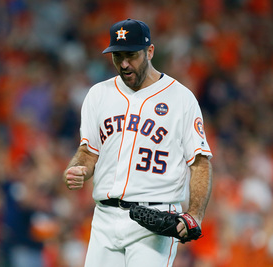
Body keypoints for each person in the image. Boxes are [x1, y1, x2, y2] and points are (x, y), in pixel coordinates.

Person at [63, 18, 213, 267]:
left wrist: (194, 214)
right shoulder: (98, 94)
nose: (124, 64)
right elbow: (88, 151)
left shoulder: (181, 98)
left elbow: (199, 162)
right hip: (104, 217)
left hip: (155, 220)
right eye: (117, 55)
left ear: (150, 51)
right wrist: (79, 167)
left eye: (131, 55)